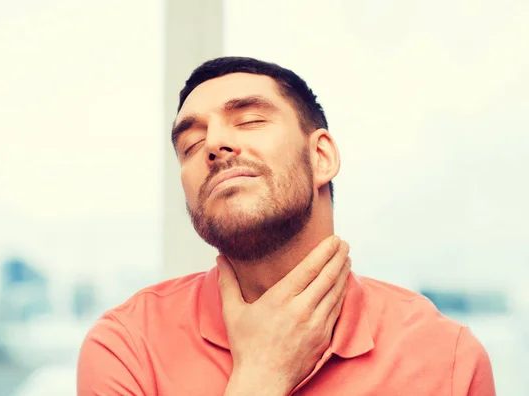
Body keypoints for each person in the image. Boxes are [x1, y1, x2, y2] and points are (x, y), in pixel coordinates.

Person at [77, 57, 495, 395]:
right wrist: (261, 375)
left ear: (322, 157)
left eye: (249, 120)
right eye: (190, 144)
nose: (213, 144)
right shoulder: (128, 347)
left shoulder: (446, 359)